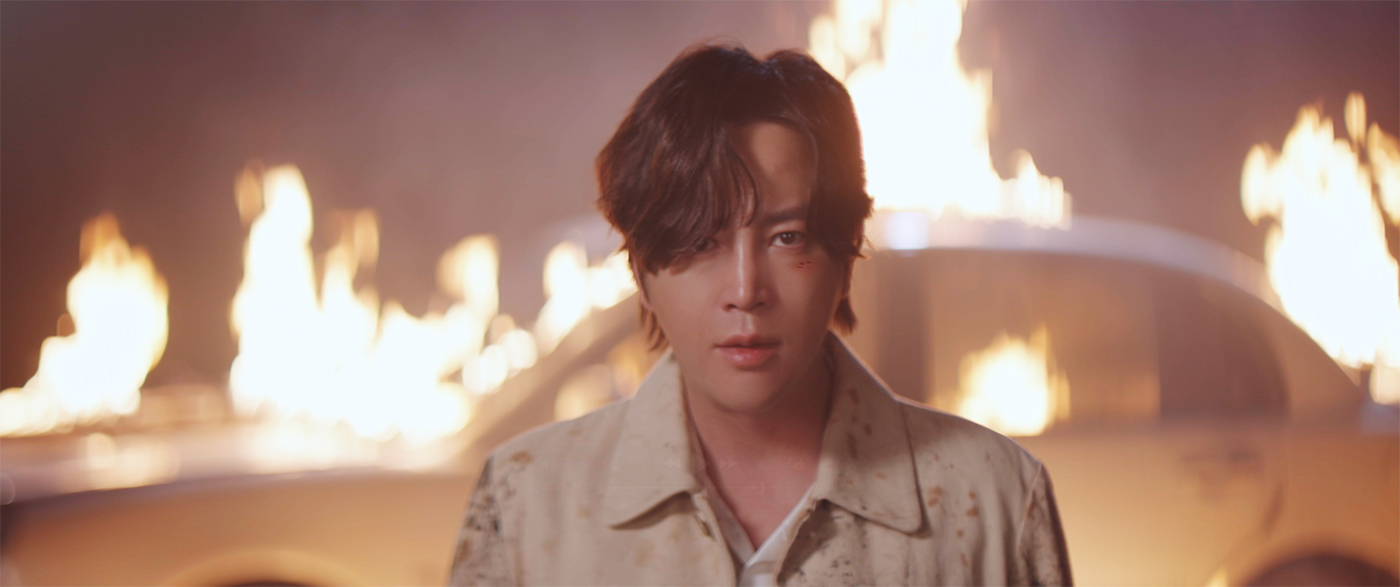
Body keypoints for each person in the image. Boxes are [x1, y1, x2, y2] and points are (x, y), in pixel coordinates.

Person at [449, 43, 1072, 586]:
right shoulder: (527, 501)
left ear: (845, 255)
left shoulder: (991, 497)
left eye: (788, 237)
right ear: (641, 271)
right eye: (701, 241)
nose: (746, 291)